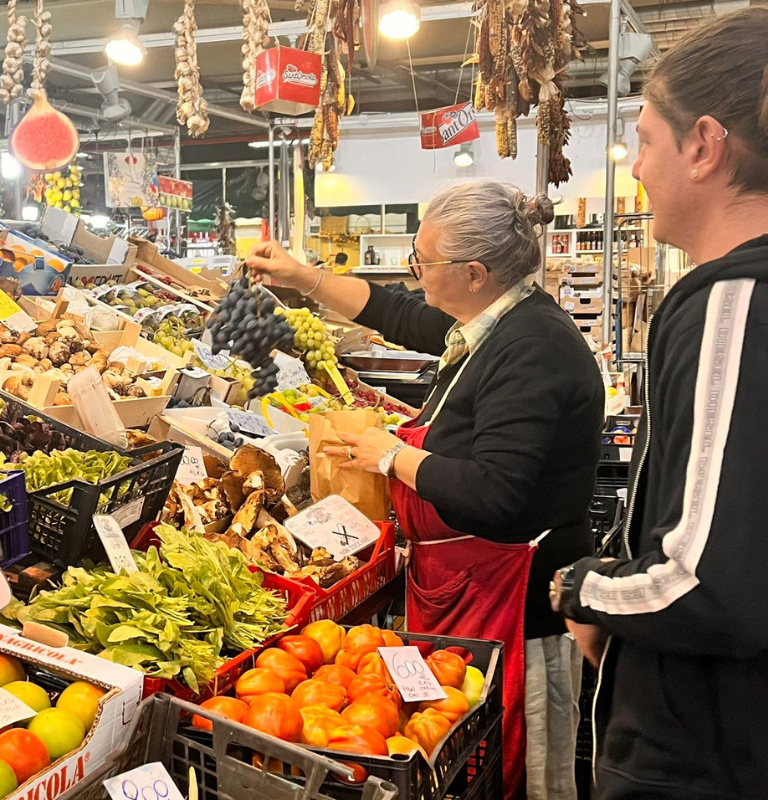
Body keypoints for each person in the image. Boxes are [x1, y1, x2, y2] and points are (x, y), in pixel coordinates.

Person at [247, 181, 604, 800]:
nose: (415, 274)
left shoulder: (534, 348)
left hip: (520, 605)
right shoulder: (492, 320)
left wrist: (393, 456)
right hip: (465, 585)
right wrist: (302, 278)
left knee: (527, 770)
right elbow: (397, 314)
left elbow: (498, 491)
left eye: (423, 262)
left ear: (473, 272)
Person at [551, 7, 768, 800]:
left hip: (715, 758)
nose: (633, 166)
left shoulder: (741, 304)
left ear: (704, 145)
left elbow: (710, 586)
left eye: (643, 139)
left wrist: (581, 588)